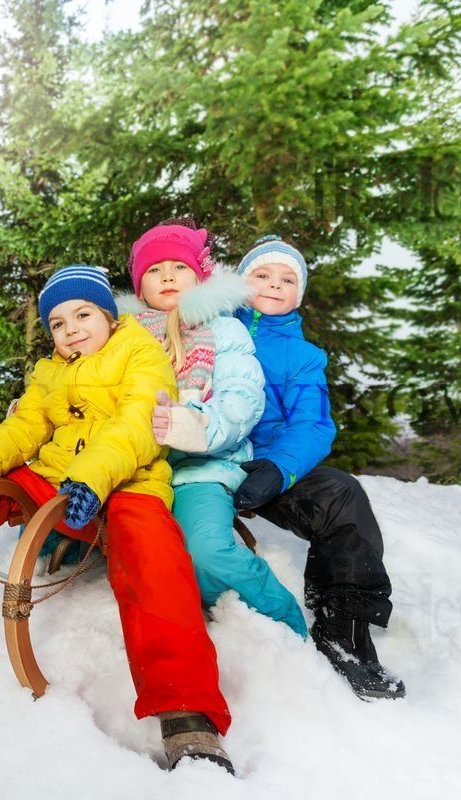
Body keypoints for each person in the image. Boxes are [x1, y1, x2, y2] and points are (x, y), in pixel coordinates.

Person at [0, 265, 235, 772]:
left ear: (108, 315)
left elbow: (137, 423)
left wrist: (92, 477)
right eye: (57, 322)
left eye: (82, 315)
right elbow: (26, 426)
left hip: (128, 482)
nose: (71, 329)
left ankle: (187, 713)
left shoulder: (141, 352)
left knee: (154, 560)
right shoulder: (49, 371)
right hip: (59, 480)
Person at [233, 234, 404, 699]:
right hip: (207, 459)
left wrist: (277, 468)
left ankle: (342, 627)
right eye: (262, 274)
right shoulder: (210, 333)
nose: (275, 284)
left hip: (268, 468)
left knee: (343, 496)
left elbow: (311, 424)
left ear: (299, 295)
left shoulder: (303, 357)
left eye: (288, 279)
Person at [123, 219, 308, 637]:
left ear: (200, 277)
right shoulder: (122, 336)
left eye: (179, 267)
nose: (167, 276)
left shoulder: (223, 329)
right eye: (154, 269)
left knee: (206, 553)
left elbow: (242, 399)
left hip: (202, 468)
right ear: (139, 287)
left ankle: (286, 623)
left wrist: (198, 427)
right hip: (137, 467)